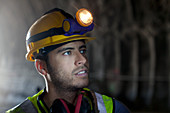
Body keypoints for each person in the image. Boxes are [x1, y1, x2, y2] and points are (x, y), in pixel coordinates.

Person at [6, 8, 130, 113]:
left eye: (82, 51)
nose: (82, 60)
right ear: (42, 67)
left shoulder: (113, 109)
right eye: (67, 52)